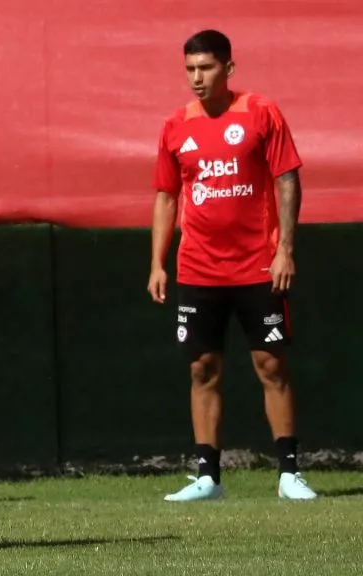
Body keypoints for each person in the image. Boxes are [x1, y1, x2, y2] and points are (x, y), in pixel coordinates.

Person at [148, 29, 316, 501]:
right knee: (202, 368)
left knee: (271, 364)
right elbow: (166, 196)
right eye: (190, 70)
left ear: (229, 68)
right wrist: (157, 263)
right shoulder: (176, 125)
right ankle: (207, 477)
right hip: (199, 269)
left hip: (259, 265)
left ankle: (288, 473)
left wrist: (285, 249)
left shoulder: (261, 113)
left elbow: (287, 179)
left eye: (206, 68)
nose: (197, 78)